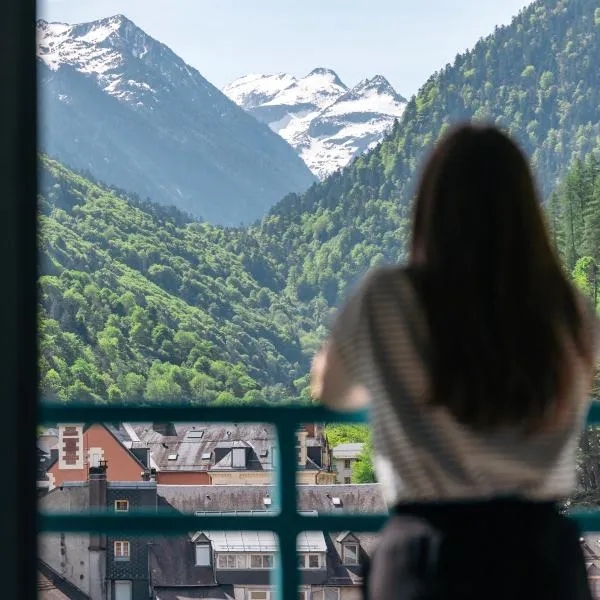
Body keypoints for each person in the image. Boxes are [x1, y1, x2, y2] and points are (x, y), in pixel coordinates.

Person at [310, 123, 600, 599]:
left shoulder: (387, 297)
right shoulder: (568, 309)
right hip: (540, 557)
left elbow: (333, 392)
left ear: (430, 207)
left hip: (428, 556)